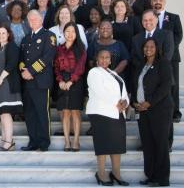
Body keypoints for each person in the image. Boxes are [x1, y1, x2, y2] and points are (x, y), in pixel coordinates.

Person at [131, 38, 173, 187]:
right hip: (142, 112)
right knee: (148, 144)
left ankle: (162, 178)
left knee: (160, 144)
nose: (148, 49)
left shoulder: (163, 64)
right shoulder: (140, 66)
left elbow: (166, 86)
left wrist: (149, 103)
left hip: (160, 110)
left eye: (151, 46)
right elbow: (135, 87)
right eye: (146, 46)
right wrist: (134, 103)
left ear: (157, 48)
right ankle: (151, 176)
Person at [86, 49, 130, 186]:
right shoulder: (93, 72)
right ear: (97, 60)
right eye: (102, 57)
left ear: (111, 60)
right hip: (101, 112)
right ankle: (101, 173)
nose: (105, 60)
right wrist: (117, 103)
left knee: (117, 144)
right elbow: (99, 92)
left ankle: (116, 173)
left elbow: (122, 91)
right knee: (103, 143)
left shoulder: (114, 73)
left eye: (107, 58)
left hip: (117, 112)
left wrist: (125, 102)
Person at [20, 10, 57, 152]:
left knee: (42, 113)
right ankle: (33, 141)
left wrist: (31, 71)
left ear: (41, 19)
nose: (32, 21)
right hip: (28, 82)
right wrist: (24, 70)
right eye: (30, 19)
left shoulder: (49, 36)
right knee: (30, 114)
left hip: (41, 82)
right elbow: (22, 59)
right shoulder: (26, 38)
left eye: (35, 19)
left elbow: (48, 57)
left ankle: (43, 142)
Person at [0, 24, 23, 151]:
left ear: (8, 34)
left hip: (7, 82)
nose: (1, 35)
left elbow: (11, 64)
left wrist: (0, 79)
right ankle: (5, 141)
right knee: (2, 114)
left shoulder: (12, 47)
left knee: (6, 112)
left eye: (4, 33)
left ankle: (9, 142)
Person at [54, 22, 86, 152]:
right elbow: (56, 67)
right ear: (63, 33)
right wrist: (60, 80)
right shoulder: (59, 48)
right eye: (67, 31)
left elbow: (81, 67)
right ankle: (67, 141)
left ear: (76, 34)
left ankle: (76, 141)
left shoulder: (81, 48)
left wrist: (71, 81)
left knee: (75, 112)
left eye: (73, 31)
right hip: (62, 81)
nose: (70, 34)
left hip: (76, 82)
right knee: (65, 112)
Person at [152, 0, 183, 124]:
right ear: (151, 2)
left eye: (160, 0)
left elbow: (178, 35)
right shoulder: (148, 17)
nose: (157, 2)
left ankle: (175, 112)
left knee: (172, 85)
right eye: (155, 0)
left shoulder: (174, 18)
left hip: (171, 58)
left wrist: (167, 50)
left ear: (164, 2)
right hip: (152, 57)